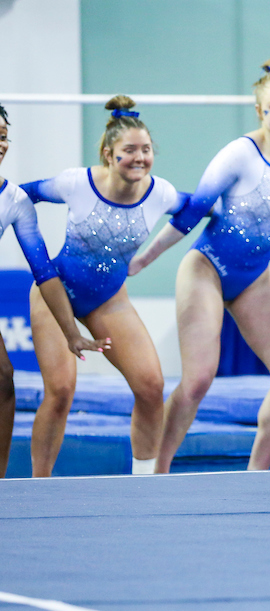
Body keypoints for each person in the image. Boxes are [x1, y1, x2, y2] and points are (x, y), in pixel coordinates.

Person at [130, 60, 270, 472]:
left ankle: (256, 474)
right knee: (199, 378)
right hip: (207, 267)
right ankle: (156, 471)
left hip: (254, 278)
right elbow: (192, 213)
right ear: (260, 111)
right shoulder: (240, 154)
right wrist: (146, 257)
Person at [23, 96, 178, 477]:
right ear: (109, 154)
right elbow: (21, 195)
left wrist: (150, 256)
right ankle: (39, 485)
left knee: (151, 386)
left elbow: (201, 207)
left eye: (146, 150)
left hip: (108, 299)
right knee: (60, 391)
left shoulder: (161, 194)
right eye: (130, 151)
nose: (140, 158)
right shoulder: (77, 183)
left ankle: (145, 481)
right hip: (54, 291)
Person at [1, 105, 107, 478]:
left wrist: (71, 332)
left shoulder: (14, 200)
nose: (0, 144)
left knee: (2, 379)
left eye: (3, 136)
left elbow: (44, 272)